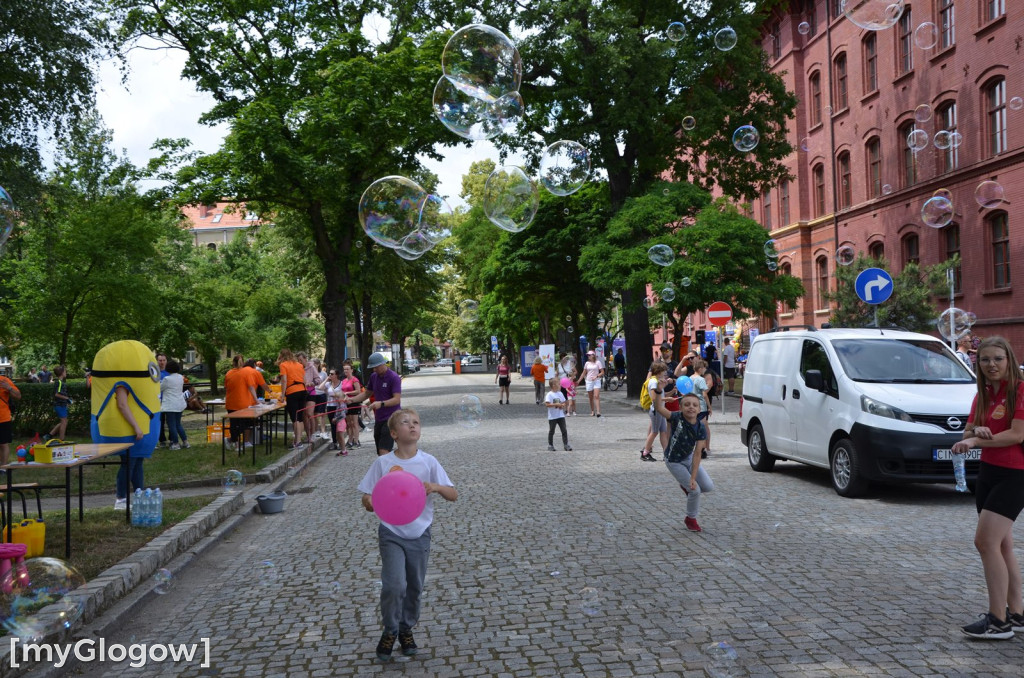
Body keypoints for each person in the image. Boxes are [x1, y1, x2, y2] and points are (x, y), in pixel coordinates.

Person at [357, 408, 457, 663]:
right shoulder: (383, 463)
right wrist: (370, 502)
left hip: (420, 533)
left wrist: (434, 486)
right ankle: (390, 629)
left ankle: (406, 628)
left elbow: (453, 494)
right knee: (394, 585)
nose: (412, 426)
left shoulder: (428, 462)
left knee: (414, 587)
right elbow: (367, 496)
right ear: (393, 433)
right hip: (391, 532)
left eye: (416, 422)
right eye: (405, 423)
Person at [951, 336, 1024, 640]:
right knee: (1002, 545)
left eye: (997, 359)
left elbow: (1017, 435)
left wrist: (977, 440)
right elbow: (968, 429)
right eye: (984, 360)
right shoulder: (982, 394)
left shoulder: (1020, 390)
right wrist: (974, 431)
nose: (991, 365)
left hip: (1016, 473)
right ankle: (1017, 614)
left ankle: (998, 621)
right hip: (989, 472)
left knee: (985, 542)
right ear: (977, 364)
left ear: (1009, 359)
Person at [653, 391, 714, 533]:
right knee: (695, 491)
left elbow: (698, 453)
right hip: (673, 461)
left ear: (699, 409)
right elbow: (659, 408)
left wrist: (692, 478)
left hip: (688, 458)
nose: (691, 407)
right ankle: (690, 519)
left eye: (694, 405)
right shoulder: (676, 417)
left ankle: (686, 485)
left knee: (708, 486)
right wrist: (658, 394)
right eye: (687, 405)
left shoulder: (700, 428)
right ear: (680, 408)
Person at [347, 352, 402, 456]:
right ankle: (390, 467)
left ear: (382, 364)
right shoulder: (374, 377)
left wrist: (381, 403)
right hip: (379, 418)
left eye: (375, 367)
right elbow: (367, 393)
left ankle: (388, 471)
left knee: (383, 451)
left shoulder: (394, 377)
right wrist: (352, 400)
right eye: (372, 368)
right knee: (380, 451)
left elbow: (396, 399)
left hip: (392, 418)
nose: (374, 370)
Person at [277, 348, 308, 448]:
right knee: (300, 418)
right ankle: (297, 440)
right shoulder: (299, 365)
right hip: (302, 391)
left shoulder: (283, 365)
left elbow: (284, 381)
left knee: (295, 418)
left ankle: (298, 442)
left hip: (292, 392)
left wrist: (282, 395)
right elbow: (304, 380)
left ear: (281, 356)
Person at [224, 355, 257, 448]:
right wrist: (256, 399)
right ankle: (242, 442)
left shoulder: (228, 373)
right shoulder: (246, 373)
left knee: (234, 424)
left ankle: (234, 443)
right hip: (243, 403)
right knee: (245, 424)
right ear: (243, 363)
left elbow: (226, 387)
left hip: (231, 403)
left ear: (233, 363)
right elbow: (251, 387)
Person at [160, 360, 190, 449]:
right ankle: (185, 442)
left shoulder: (167, 379)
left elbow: (160, 388)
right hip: (179, 403)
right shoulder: (181, 377)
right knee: (178, 424)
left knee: (171, 425)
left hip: (170, 405)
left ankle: (175, 444)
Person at [544, 377, 572, 451]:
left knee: (564, 430)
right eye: (558, 384)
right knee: (552, 431)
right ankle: (550, 445)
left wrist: (562, 405)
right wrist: (556, 404)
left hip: (560, 415)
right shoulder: (549, 395)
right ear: (553, 385)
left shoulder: (560, 393)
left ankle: (566, 444)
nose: (560, 385)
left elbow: (564, 402)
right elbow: (547, 404)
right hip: (552, 417)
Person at [692, 359, 713, 457]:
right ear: (700, 368)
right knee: (703, 428)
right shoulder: (700, 379)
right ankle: (702, 449)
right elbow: (704, 394)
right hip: (701, 406)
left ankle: (696, 448)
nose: (705, 370)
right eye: (704, 368)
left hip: (692, 405)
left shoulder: (690, 378)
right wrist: (709, 407)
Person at [0, 374, 21, 466]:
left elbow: (18, 396)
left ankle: (4, 467)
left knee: (3, 444)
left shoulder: (3, 380)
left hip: (3, 418)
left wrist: (9, 388)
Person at [341, 360, 363, 450]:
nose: (346, 371)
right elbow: (342, 391)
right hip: (346, 403)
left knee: (355, 423)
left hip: (354, 402)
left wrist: (348, 393)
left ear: (351, 370)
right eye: (344, 369)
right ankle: (350, 441)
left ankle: (356, 441)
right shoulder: (344, 380)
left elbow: (358, 391)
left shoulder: (354, 379)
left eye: (347, 369)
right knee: (349, 423)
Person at [324, 367, 347, 454]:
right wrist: (327, 379)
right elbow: (319, 388)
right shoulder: (328, 384)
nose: (330, 375)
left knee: (339, 428)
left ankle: (342, 446)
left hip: (338, 407)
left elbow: (344, 394)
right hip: (330, 406)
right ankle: (335, 443)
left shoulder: (341, 384)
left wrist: (337, 396)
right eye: (329, 373)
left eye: (332, 374)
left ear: (336, 375)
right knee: (333, 426)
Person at [46, 365, 72, 441]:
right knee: (64, 422)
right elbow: (57, 394)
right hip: (59, 405)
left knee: (64, 421)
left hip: (62, 405)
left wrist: (66, 401)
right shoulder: (59, 382)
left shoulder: (60, 382)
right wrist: (67, 398)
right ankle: (61, 440)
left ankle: (49, 435)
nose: (66, 372)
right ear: (62, 373)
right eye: (65, 371)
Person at [577, 350, 604, 417]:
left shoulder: (598, 362)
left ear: (593, 355)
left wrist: (596, 376)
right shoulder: (587, 363)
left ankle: (598, 411)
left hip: (596, 380)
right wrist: (578, 381)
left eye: (589, 355)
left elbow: (602, 372)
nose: (588, 356)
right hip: (589, 381)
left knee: (596, 396)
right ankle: (592, 411)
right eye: (588, 355)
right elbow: (584, 373)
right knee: (590, 397)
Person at [156, 353, 170, 449]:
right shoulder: (154, 373)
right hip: (158, 402)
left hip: (169, 401)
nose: (162, 362)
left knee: (170, 421)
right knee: (160, 421)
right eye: (160, 360)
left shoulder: (170, 373)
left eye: (164, 360)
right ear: (156, 361)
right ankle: (162, 440)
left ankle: (173, 439)